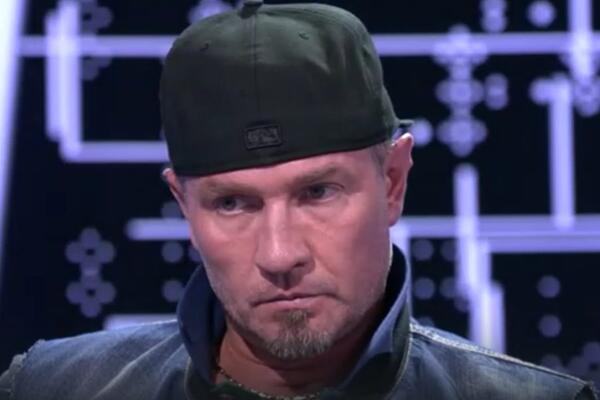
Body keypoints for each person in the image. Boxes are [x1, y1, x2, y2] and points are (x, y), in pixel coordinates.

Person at [1, 1, 597, 399]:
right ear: (184, 207)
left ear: (392, 182)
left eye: (317, 193)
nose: (280, 255)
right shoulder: (53, 389)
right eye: (232, 204)